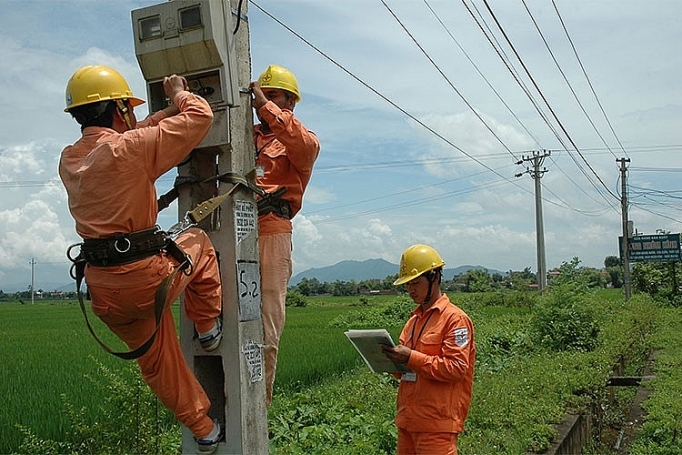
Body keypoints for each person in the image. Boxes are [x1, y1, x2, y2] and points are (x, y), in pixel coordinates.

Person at [59, 65, 223, 454]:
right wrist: (181, 94)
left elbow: (131, 136)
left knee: (158, 363)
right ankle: (208, 327)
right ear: (120, 109)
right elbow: (201, 116)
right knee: (197, 240)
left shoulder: (69, 159)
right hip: (147, 277)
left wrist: (163, 114)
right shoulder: (130, 148)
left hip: (104, 292)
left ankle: (204, 431)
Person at [250, 64, 320, 405]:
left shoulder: (299, 141)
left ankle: (259, 404)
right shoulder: (243, 135)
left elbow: (304, 145)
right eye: (262, 95)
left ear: (290, 102)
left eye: (274, 95)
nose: (262, 102)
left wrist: (266, 106)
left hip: (272, 230)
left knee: (266, 319)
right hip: (233, 227)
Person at [381, 244, 476, 455]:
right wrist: (388, 361)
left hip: (437, 425)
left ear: (435, 278)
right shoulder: (413, 322)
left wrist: (411, 357)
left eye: (415, 282)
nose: (411, 290)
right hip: (407, 422)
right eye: (407, 285)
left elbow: (456, 368)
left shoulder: (455, 320)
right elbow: (403, 372)